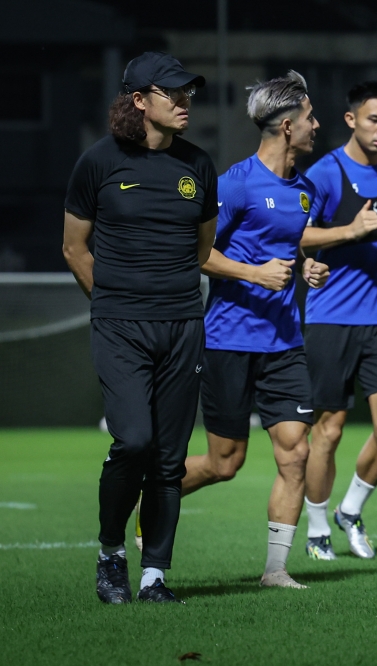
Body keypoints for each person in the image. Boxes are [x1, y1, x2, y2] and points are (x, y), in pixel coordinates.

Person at [62, 52, 216, 604]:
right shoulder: (99, 163)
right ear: (138, 100)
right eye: (172, 93)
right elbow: (74, 248)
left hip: (182, 326)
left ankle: (154, 576)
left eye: (187, 93)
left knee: (169, 459)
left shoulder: (198, 165)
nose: (184, 102)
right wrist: (111, 304)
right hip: (121, 327)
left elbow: (202, 250)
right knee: (134, 441)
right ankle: (110, 555)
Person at [180, 71, 327, 589]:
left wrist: (307, 266)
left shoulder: (306, 191)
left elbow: (291, 245)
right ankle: (153, 494)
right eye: (310, 118)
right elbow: (199, 254)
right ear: (287, 126)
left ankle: (275, 570)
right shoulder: (236, 184)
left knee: (297, 453)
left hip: (285, 343)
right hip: (229, 341)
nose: (317, 125)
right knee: (225, 464)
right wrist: (253, 273)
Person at [300, 81, 377, 561]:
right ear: (351, 120)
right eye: (373, 119)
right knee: (328, 431)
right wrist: (349, 232)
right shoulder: (325, 173)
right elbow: (297, 233)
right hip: (330, 319)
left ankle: (351, 510)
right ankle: (317, 528)